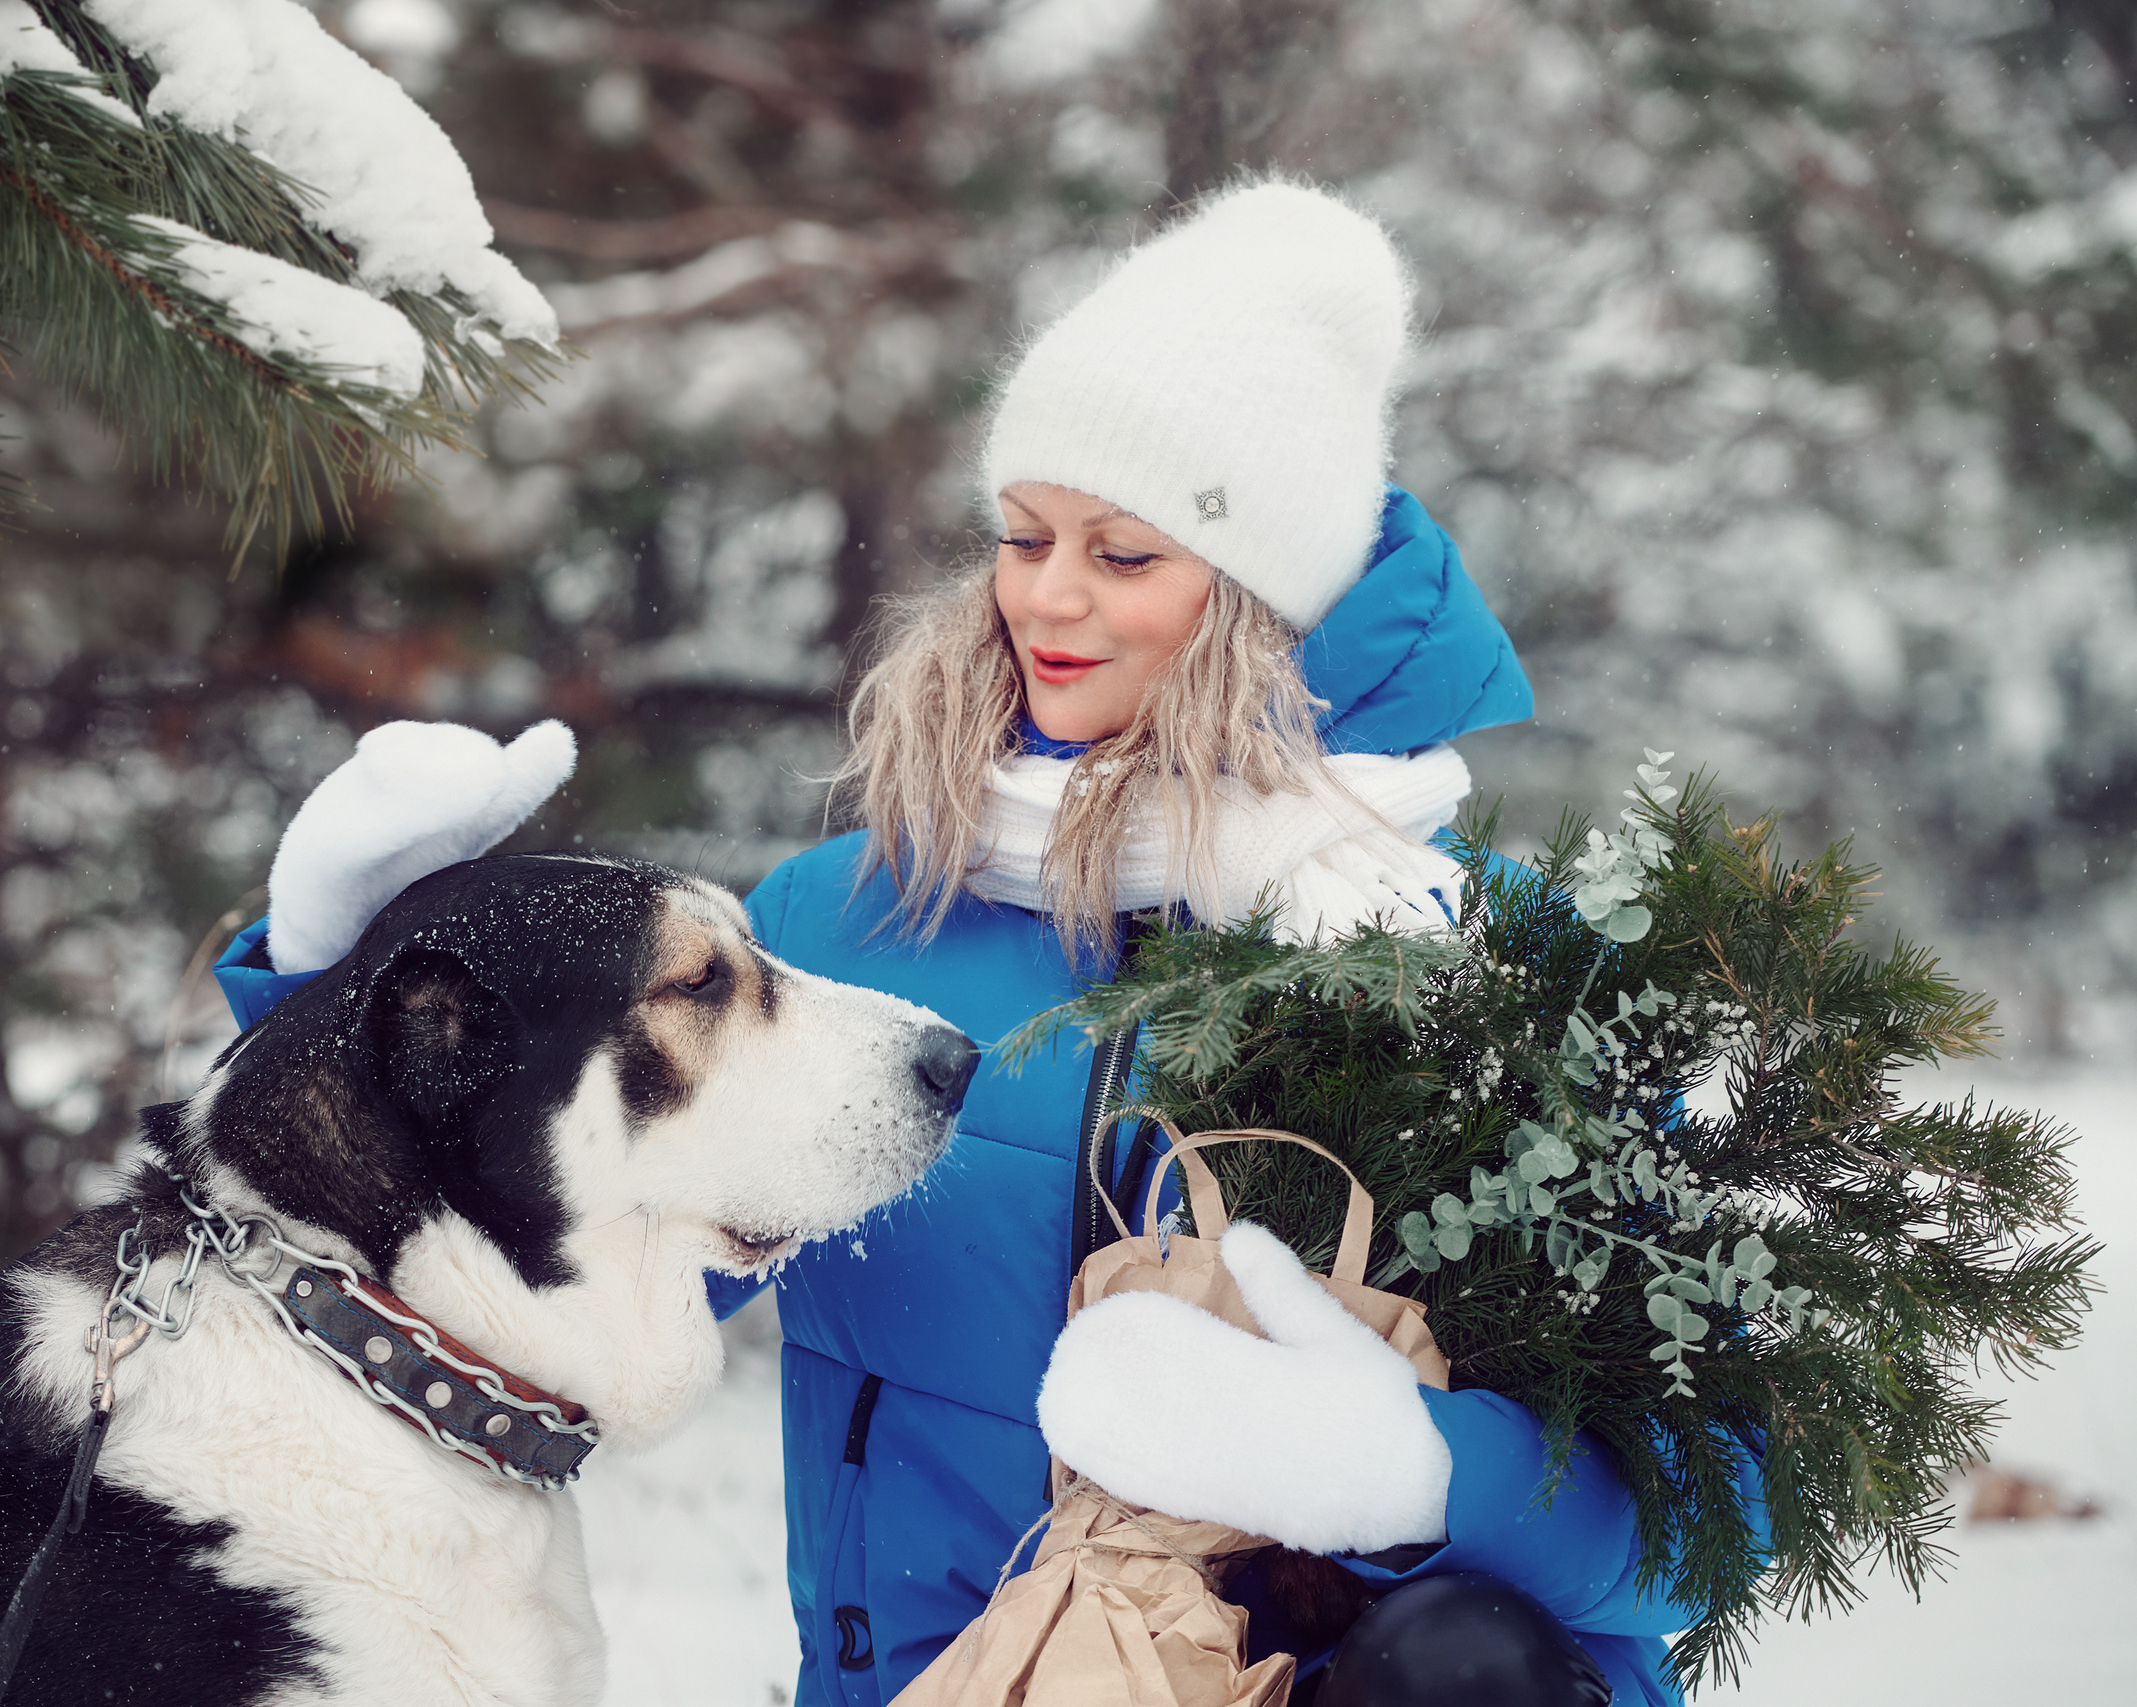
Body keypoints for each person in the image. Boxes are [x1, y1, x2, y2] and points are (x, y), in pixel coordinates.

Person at [216, 180, 1713, 1706]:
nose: (1048, 598)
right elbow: (518, 1269)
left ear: (1269, 595)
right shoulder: (849, 926)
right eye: (1024, 534)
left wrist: (1405, 1469)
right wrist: (342, 990)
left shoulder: (1494, 968)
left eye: (1125, 556)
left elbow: (1706, 1520)